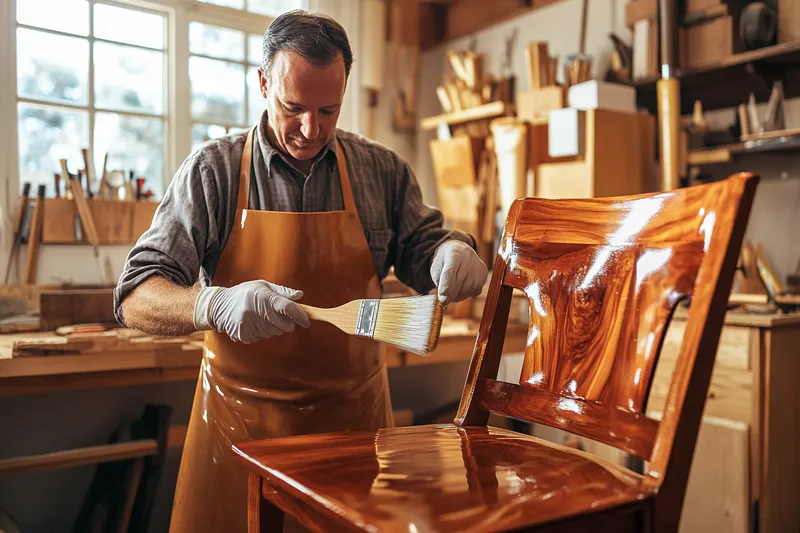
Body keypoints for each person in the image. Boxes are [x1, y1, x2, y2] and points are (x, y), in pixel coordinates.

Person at [114, 9, 488, 533]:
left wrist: (451, 252)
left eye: (328, 111)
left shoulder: (381, 170)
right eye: (294, 108)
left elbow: (426, 247)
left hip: (355, 435)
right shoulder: (212, 171)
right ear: (263, 82)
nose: (311, 129)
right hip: (237, 431)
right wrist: (210, 305)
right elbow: (135, 294)